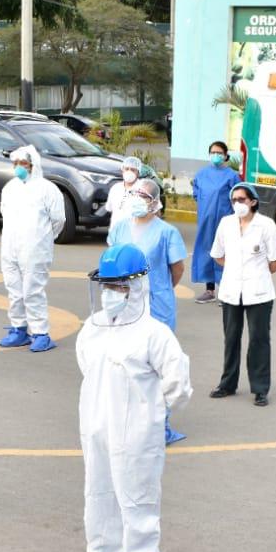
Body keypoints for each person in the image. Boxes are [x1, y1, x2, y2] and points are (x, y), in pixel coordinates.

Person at [67, 244, 192, 552]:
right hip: (96, 429)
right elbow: (86, 366)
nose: (111, 293)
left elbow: (179, 387)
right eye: (106, 285)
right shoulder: (93, 328)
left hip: (137, 438)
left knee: (136, 506)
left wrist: (149, 413)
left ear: (137, 287)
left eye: (119, 286)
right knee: (99, 500)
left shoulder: (155, 335)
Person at [109, 176, 189, 442]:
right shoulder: (120, 228)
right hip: (125, 302)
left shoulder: (167, 232)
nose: (137, 199)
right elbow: (113, 261)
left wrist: (160, 288)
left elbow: (177, 268)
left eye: (143, 195)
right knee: (126, 361)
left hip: (158, 304)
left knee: (158, 364)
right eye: (135, 193)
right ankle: (130, 420)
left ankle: (160, 425)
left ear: (155, 202)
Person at [210, 183, 276, 406]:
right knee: (231, 338)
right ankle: (228, 384)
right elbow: (217, 255)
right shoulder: (226, 223)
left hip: (259, 292)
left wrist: (256, 273)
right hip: (232, 290)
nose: (237, 204)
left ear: (252, 201)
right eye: (234, 200)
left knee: (259, 340)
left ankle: (260, 388)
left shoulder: (266, 225)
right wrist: (234, 270)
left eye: (242, 199)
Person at [0, 145, 63, 353]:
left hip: (35, 249)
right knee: (14, 291)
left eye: (23, 164)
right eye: (15, 164)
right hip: (10, 247)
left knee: (32, 292)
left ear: (33, 165)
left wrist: (42, 239)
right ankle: (19, 329)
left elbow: (58, 220)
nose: (18, 168)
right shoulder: (10, 188)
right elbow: (4, 214)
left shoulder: (47, 189)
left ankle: (41, 333)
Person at [189, 140, 239, 303]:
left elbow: (238, 199)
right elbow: (196, 194)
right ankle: (209, 290)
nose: (216, 155)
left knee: (225, 255)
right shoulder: (202, 174)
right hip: (206, 222)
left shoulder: (232, 176)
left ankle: (226, 293)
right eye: (213, 153)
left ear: (225, 156)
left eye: (219, 153)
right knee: (207, 253)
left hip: (224, 222)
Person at [105, 155, 144, 225]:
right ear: (122, 170)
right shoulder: (115, 189)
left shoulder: (144, 189)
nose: (129, 172)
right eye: (126, 169)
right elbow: (109, 209)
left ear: (138, 172)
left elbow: (153, 213)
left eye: (133, 170)